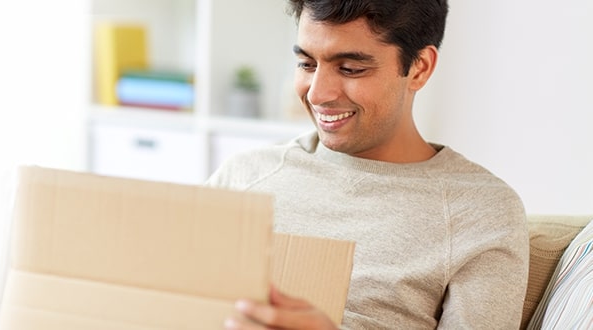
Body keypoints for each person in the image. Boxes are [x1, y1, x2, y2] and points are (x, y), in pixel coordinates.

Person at [207, 0, 529, 329]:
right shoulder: (244, 175)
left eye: (350, 69)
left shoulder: (479, 211)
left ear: (419, 67)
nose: (318, 94)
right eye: (306, 64)